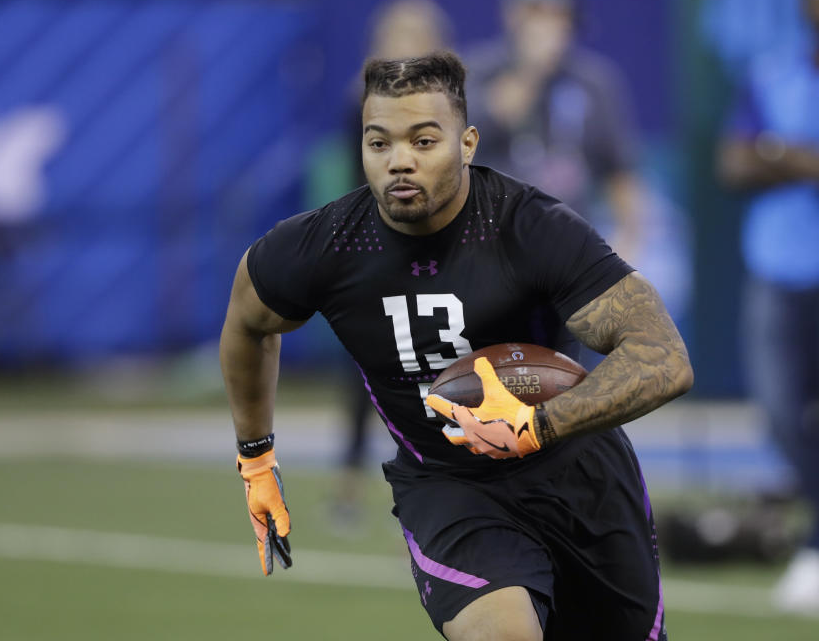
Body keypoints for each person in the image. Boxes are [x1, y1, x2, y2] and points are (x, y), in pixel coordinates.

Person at [220, 52, 692, 640]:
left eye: (423, 141)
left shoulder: (531, 227)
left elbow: (664, 356)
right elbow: (247, 322)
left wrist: (537, 423)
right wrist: (257, 458)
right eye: (379, 143)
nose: (399, 162)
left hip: (579, 477)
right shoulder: (324, 247)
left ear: (467, 142)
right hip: (449, 487)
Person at [329, 0, 455, 529]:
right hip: (378, 252)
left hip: (438, 253)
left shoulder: (453, 109)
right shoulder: (357, 106)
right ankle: (349, 487)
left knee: (444, 370)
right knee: (364, 373)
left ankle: (450, 483)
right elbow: (357, 181)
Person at [716, 0, 819, 614]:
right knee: (781, 414)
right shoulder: (773, 71)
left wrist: (781, 152)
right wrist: (800, 158)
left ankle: (814, 546)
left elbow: (764, 153)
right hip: (780, 271)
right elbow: (734, 161)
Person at [465, 0, 645, 266]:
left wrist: (624, 250)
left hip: (568, 256)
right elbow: (492, 121)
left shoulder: (595, 82)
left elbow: (622, 177)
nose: (545, 25)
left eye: (555, 13)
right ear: (511, 15)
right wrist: (532, 69)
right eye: (534, 12)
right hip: (492, 254)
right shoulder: (478, 71)